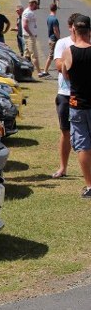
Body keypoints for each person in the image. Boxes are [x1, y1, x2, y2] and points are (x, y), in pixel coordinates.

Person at [60, 14, 91, 198]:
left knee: (83, 145)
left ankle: (89, 185)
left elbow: (65, 76)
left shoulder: (68, 52)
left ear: (74, 30)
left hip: (77, 104)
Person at [52, 13, 80, 179]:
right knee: (66, 131)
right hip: (65, 93)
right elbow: (59, 65)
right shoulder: (62, 43)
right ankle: (63, 167)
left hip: (84, 93)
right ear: (71, 27)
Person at [23, 0, 45, 76]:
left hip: (29, 36)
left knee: (26, 54)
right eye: (36, 4)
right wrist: (31, 34)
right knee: (34, 54)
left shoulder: (30, 12)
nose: (37, 6)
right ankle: (39, 72)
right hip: (29, 37)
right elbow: (25, 25)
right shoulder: (28, 13)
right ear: (32, 4)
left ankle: (24, 70)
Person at [43, 3, 61, 75]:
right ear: (56, 9)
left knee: (56, 54)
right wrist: (59, 38)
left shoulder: (49, 18)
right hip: (54, 39)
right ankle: (45, 70)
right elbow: (55, 30)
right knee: (51, 55)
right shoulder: (55, 19)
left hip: (50, 37)